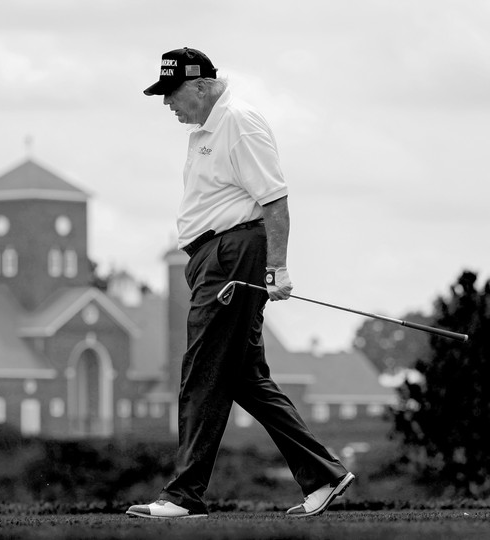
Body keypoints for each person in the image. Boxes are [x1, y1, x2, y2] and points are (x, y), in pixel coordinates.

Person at [126, 47, 354, 520]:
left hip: (232, 255)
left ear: (202, 85)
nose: (167, 103)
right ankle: (324, 474)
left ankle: (183, 495)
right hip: (216, 256)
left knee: (202, 371)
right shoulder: (207, 129)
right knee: (245, 379)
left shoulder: (238, 122)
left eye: (172, 93)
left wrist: (277, 269)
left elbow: (274, 199)